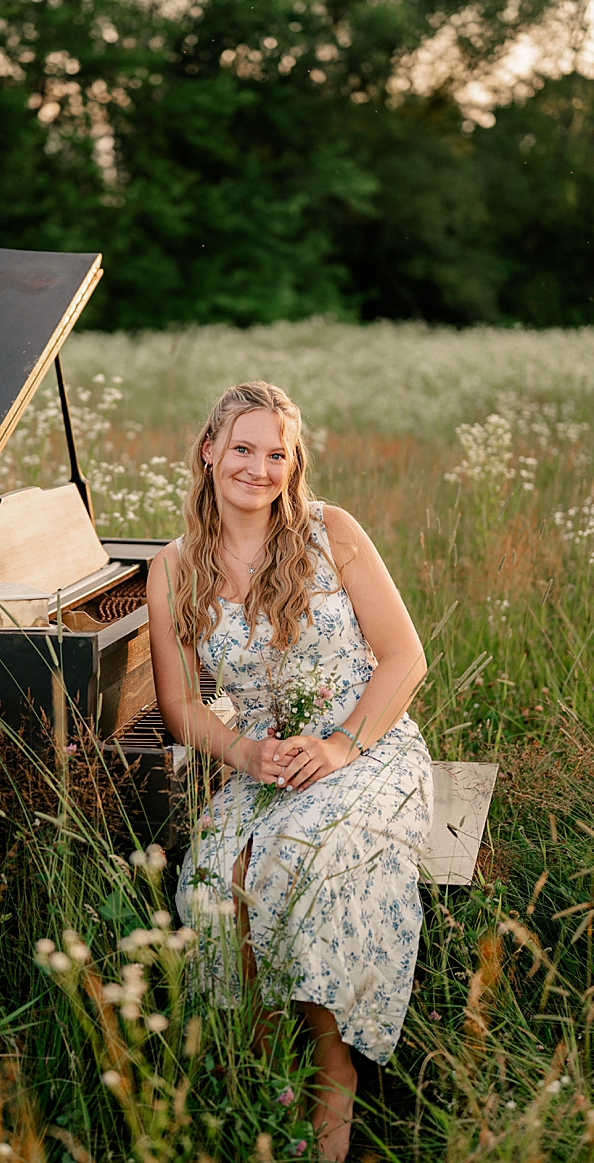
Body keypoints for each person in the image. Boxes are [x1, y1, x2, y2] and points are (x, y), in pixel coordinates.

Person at [145, 381, 432, 1162]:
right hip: (267, 757)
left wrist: (339, 745)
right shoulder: (172, 570)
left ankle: (334, 1088)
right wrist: (243, 753)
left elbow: (406, 659)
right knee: (213, 876)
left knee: (300, 861)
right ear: (208, 452)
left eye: (278, 453)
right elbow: (180, 708)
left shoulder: (330, 532)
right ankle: (263, 1081)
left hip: (365, 745)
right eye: (243, 448)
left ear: (292, 462)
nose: (259, 467)